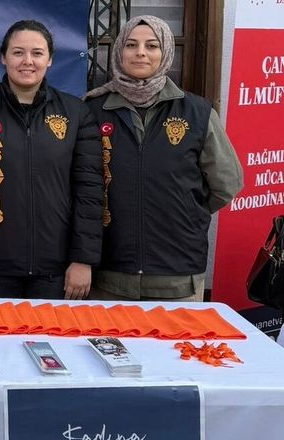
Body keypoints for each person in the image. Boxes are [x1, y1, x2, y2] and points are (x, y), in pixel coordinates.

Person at [84, 15, 242, 302]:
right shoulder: (92, 111)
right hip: (108, 275)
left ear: (166, 51)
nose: (140, 53)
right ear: (119, 51)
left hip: (177, 276)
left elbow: (226, 183)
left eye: (151, 45)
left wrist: (185, 210)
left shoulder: (197, 112)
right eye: (131, 45)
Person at [0, 20, 103, 300]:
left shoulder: (76, 113)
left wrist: (83, 259)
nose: (28, 61)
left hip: (56, 269)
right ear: (3, 57)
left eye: (37, 53)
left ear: (50, 59)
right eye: (18, 52)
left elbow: (89, 192)